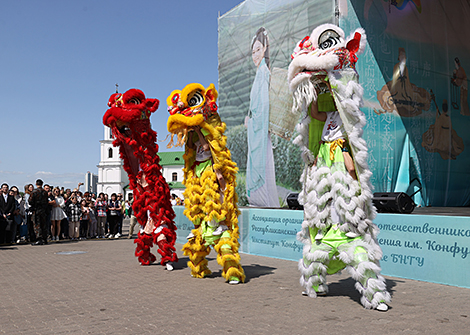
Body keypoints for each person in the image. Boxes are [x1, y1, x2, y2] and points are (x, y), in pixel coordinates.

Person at [288, 24, 390, 311]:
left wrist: (353, 168)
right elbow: (317, 113)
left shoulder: (343, 119)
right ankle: (315, 282)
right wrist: (315, 97)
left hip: (338, 152)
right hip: (324, 153)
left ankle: (375, 295)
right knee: (320, 201)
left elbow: (351, 141)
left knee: (347, 202)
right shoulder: (327, 115)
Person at [167, 82, 245, 284]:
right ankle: (199, 267)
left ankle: (232, 271)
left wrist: (199, 129)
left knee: (224, 240)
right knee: (198, 229)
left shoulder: (212, 146)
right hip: (199, 176)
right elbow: (192, 148)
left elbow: (207, 145)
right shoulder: (193, 147)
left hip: (210, 174)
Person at [245, 27, 279, 208]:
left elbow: (264, 106)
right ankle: (262, 202)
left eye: (258, 50)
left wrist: (252, 121)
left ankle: (265, 204)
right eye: (253, 52)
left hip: (260, 129)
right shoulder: (260, 73)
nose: (255, 55)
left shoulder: (264, 73)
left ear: (265, 48)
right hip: (256, 129)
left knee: (263, 170)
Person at [28, 179, 49, 245]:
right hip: (43, 210)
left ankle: (39, 239)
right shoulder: (45, 192)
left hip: (36, 210)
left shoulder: (34, 192)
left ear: (36, 184)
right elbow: (46, 201)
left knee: (37, 225)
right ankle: (44, 239)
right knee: (43, 224)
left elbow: (30, 201)